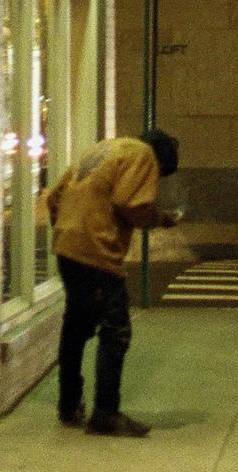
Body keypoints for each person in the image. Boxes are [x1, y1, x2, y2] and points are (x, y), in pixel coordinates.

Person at [46, 129, 180, 436]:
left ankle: (68, 404)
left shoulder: (103, 150)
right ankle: (105, 413)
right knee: (116, 331)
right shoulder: (143, 157)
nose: (156, 181)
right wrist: (160, 219)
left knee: (76, 327)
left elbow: (54, 196)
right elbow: (131, 203)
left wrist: (69, 229)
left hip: (67, 245)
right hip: (97, 249)